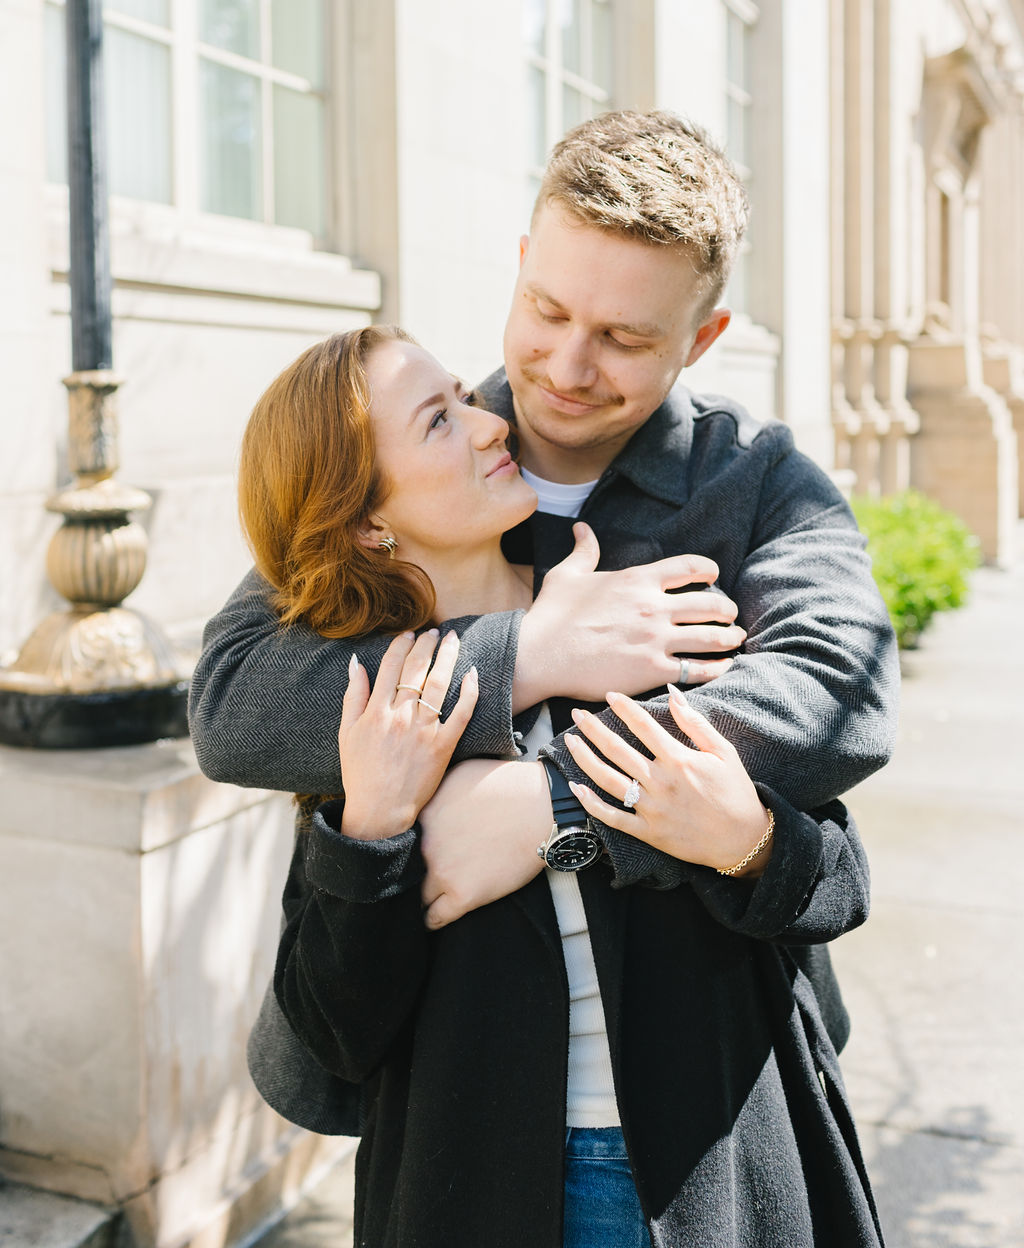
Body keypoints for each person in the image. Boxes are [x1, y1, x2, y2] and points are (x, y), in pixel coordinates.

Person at [189, 108, 897, 1114]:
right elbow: (232, 702)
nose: (566, 369)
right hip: (453, 1089)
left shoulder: (757, 481)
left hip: (711, 1069)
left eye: (621, 338)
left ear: (700, 341)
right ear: (521, 263)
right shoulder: (410, 455)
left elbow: (837, 700)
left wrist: (556, 804)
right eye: (547, 310)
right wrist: (527, 654)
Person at [244, 324, 882, 1247]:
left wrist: (744, 842)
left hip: (721, 1166)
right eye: (438, 421)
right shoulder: (373, 712)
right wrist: (375, 833)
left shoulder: (641, 619)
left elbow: (838, 879)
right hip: (479, 1190)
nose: (490, 424)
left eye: (465, 394)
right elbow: (338, 1032)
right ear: (367, 522)